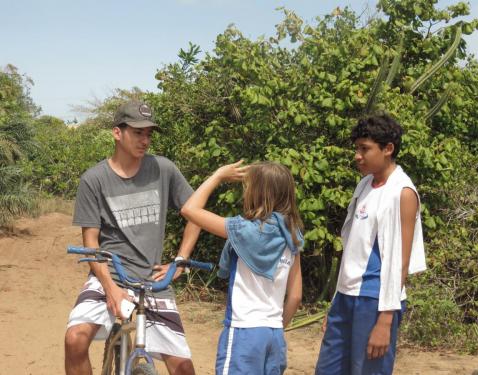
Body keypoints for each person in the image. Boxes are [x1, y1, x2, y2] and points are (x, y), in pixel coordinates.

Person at [64, 100, 201, 375]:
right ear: (117, 133)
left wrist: (181, 260)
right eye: (138, 132)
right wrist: (110, 288)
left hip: (153, 280)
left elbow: (195, 213)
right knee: (75, 340)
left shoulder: (164, 169)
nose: (145, 140)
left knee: (184, 368)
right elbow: (91, 243)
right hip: (109, 274)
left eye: (149, 133)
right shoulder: (94, 179)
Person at [315, 114, 426, 375]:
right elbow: (354, 248)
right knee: (327, 369)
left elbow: (400, 260)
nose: (357, 156)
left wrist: (385, 320)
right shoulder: (365, 184)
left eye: (365, 149)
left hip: (375, 299)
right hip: (346, 297)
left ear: (388, 149)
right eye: (357, 148)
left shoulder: (402, 193)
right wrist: (335, 304)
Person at [180, 160, 303, 375]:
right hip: (274, 335)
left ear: (257, 193)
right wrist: (277, 327)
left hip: (244, 332)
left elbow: (189, 209)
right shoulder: (292, 236)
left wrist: (217, 175)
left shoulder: (244, 230)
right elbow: (295, 297)